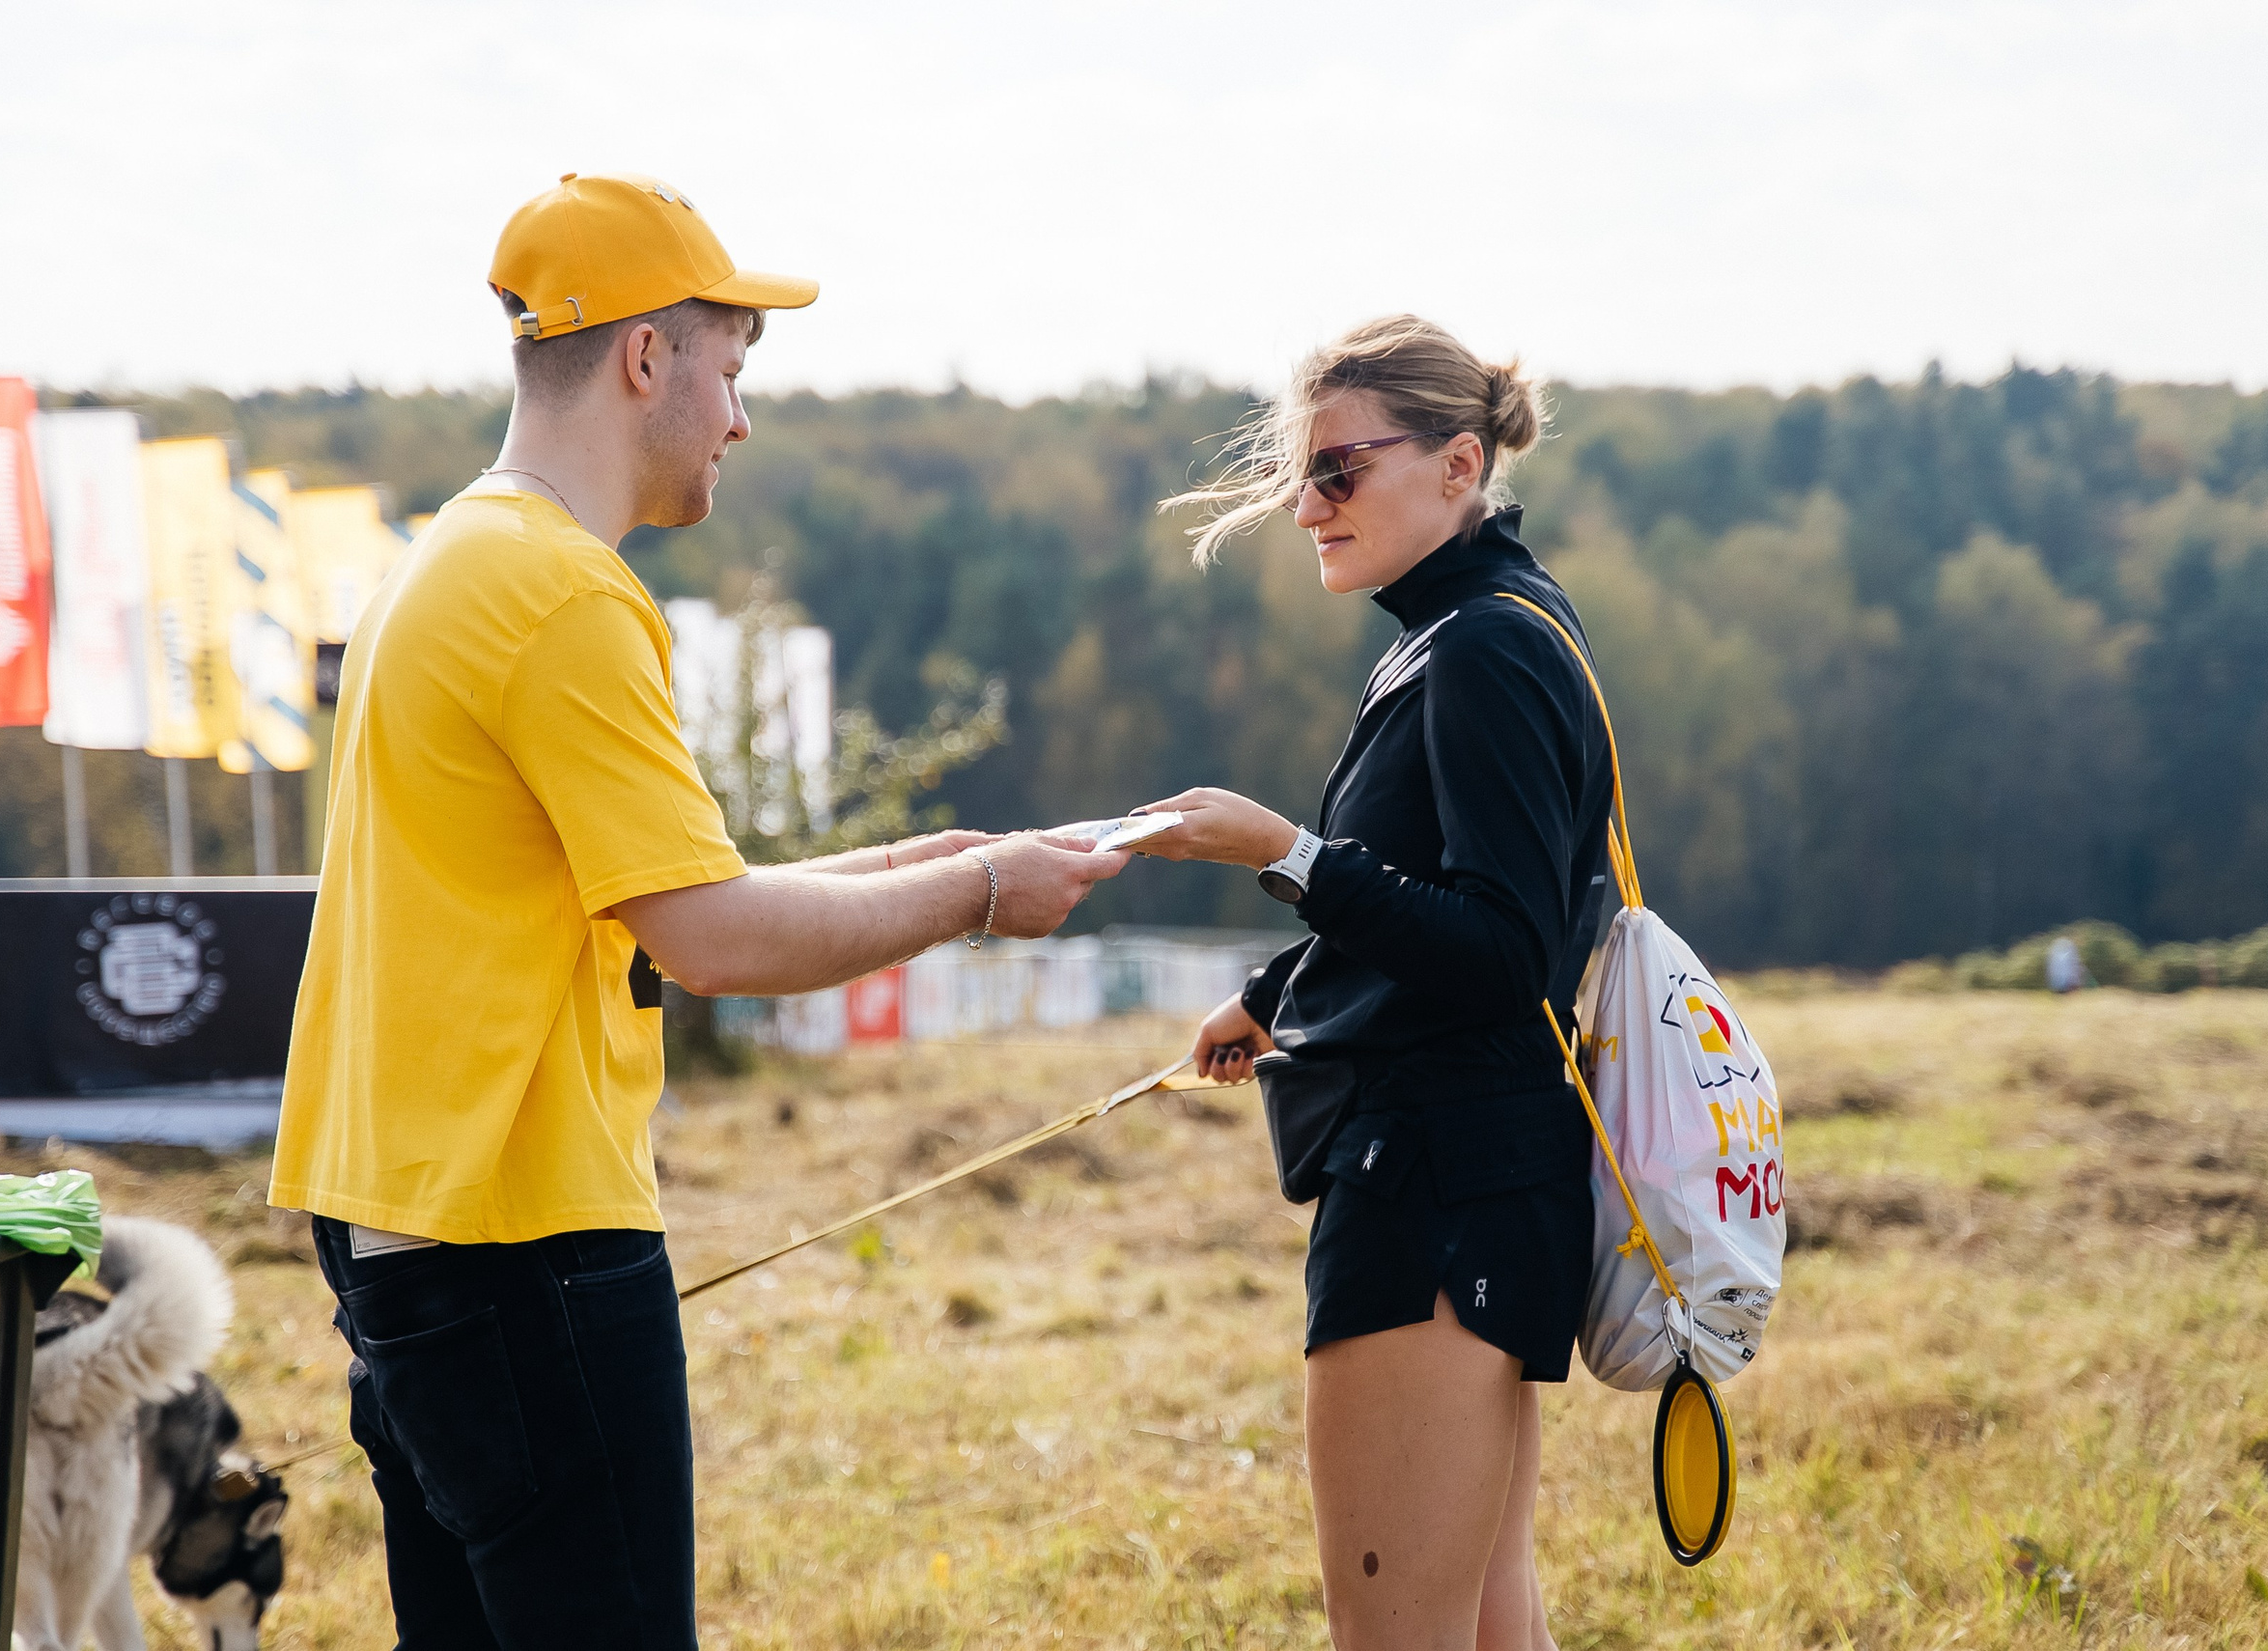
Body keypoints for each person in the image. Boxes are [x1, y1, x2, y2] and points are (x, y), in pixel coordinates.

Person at [267, 172, 1126, 1649]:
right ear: (644, 358)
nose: (740, 417)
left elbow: (665, 893)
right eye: (731, 369)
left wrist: (916, 858)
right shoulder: (565, 599)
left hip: (411, 1240)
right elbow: (714, 942)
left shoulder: (455, 562)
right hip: (525, 1245)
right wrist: (981, 894)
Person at [1130, 315, 1613, 1651]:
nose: (1307, 506)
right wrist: (1285, 987)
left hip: (1433, 1185)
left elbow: (1505, 948)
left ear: (1460, 465)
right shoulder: (1479, 623)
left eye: (1340, 469)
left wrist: (1281, 852)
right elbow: (1444, 886)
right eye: (1303, 473)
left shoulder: (1480, 649)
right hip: (1477, 1165)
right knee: (1488, 1624)